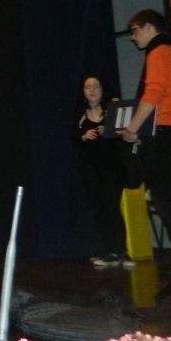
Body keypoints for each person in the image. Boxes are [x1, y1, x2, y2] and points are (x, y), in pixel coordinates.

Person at [122, 9, 171, 265]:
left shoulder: (158, 52)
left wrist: (132, 128)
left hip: (162, 131)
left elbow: (153, 93)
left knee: (166, 197)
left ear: (149, 27)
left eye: (135, 30)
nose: (133, 37)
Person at [73, 75, 132, 268]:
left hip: (112, 168)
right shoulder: (79, 114)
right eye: (87, 87)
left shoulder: (112, 111)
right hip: (90, 169)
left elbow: (125, 137)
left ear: (102, 89)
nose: (92, 90)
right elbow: (73, 139)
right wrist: (83, 136)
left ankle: (121, 250)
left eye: (96, 86)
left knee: (112, 207)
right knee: (99, 209)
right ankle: (109, 251)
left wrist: (110, 132)